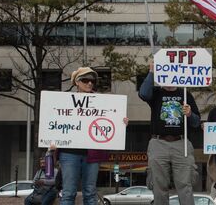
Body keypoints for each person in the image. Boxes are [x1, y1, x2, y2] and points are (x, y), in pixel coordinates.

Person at [57, 67, 129, 205]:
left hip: (92, 155)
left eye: (92, 81)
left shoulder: (102, 103)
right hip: (69, 153)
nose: (89, 83)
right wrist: (52, 140)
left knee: (90, 193)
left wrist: (121, 122)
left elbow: (110, 124)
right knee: (68, 193)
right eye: (85, 80)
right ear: (77, 82)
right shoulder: (64, 101)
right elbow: (55, 123)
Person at [139, 60, 201, 205]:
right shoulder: (156, 92)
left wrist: (190, 114)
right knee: (159, 186)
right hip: (158, 143)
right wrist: (151, 72)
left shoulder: (185, 94)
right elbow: (143, 94)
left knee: (185, 186)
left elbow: (196, 122)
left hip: (181, 143)